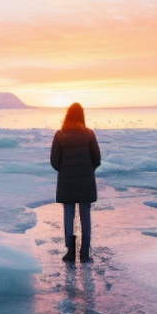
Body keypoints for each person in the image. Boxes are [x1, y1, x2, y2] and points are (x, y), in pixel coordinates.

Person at [49, 102, 100, 262]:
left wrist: (65, 171)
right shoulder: (89, 134)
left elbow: (54, 161)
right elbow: (96, 159)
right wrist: (87, 170)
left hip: (66, 181)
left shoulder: (60, 134)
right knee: (85, 216)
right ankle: (85, 252)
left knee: (68, 215)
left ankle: (70, 251)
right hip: (86, 181)